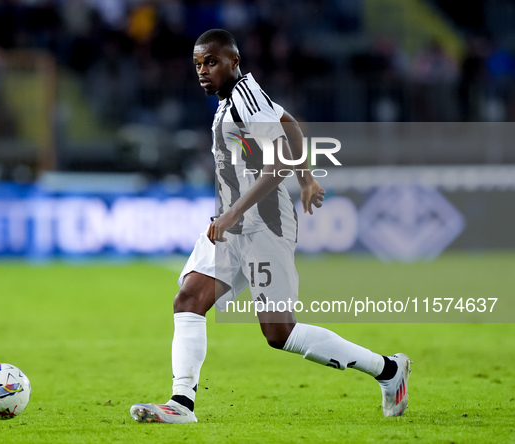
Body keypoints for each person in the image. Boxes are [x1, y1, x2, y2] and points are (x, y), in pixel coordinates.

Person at [130, 29, 411, 423]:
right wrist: (307, 178)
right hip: (233, 225)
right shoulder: (239, 97)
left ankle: (389, 370)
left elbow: (275, 162)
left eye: (211, 62)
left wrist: (236, 211)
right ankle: (181, 403)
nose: (203, 71)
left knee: (279, 334)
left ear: (234, 62)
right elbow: (289, 123)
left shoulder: (245, 100)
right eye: (197, 64)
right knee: (189, 299)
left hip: (264, 225)